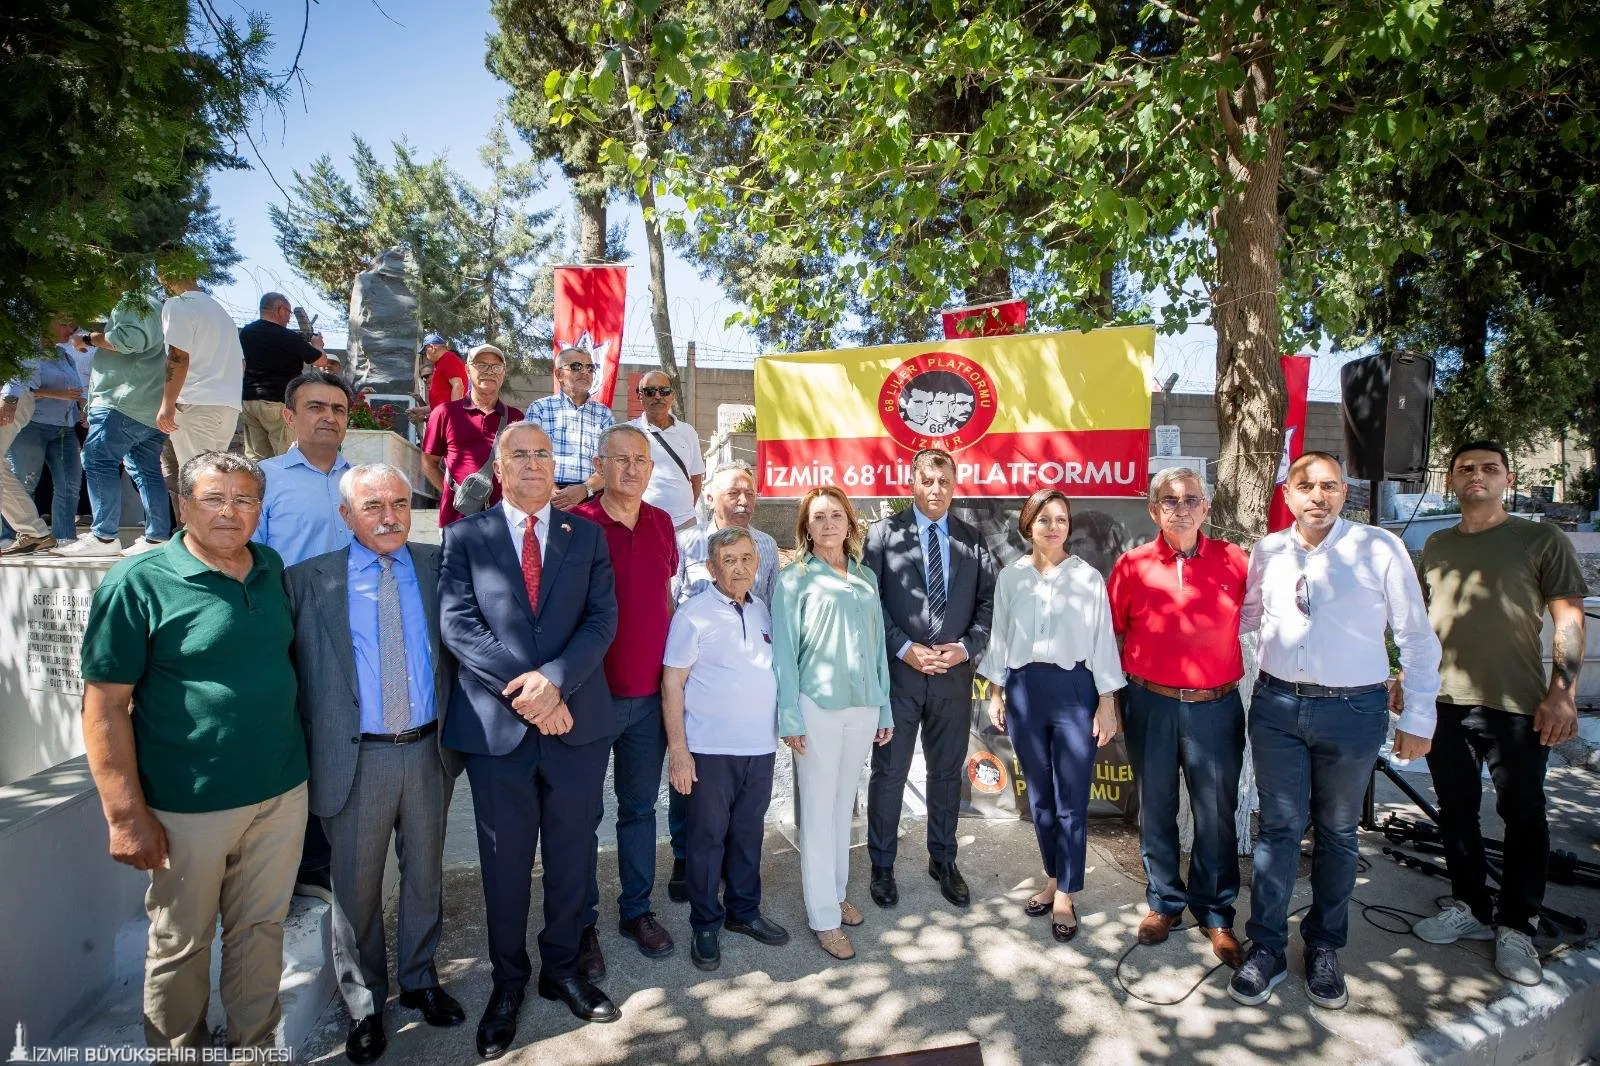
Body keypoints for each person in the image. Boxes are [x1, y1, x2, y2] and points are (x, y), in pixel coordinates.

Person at [78, 452, 308, 1052]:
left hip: (280, 794)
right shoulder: (140, 581)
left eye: (245, 499)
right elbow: (103, 705)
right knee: (182, 944)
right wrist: (125, 814)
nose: (231, 512)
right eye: (214, 498)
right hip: (189, 806)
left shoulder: (270, 566)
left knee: (261, 932)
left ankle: (255, 1050)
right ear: (183, 504)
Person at [1230, 451, 1441, 1011]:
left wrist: (1419, 715)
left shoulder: (1379, 547)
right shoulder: (1268, 550)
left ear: (1345, 493)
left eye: (1329, 486)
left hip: (1353, 711)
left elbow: (1416, 637)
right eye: (1306, 486)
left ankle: (1324, 946)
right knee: (1277, 832)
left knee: (1339, 834)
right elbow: (1246, 618)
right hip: (1276, 706)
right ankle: (1267, 947)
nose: (1317, 496)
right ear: (1289, 495)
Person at [439, 421, 621, 1057]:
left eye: (544, 454)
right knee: (505, 864)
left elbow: (602, 621)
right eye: (520, 454)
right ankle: (508, 983)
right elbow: (459, 625)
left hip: (575, 726)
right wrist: (529, 690)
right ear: (498, 466)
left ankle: (562, 969)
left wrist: (556, 685)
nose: (535, 464)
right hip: (498, 732)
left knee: (573, 857)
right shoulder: (465, 536)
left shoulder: (587, 537)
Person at [285, 463, 465, 1063]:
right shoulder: (307, 582)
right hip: (354, 758)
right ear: (346, 516)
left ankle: (419, 981)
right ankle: (365, 1004)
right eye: (372, 506)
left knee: (423, 877)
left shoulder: (436, 566)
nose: (389, 516)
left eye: (396, 502)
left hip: (427, 751)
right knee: (356, 890)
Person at [1412, 441, 1589, 987]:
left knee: (1524, 815)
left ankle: (1517, 923)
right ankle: (1469, 904)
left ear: (1507, 479)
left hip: (1517, 706)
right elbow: (1421, 626)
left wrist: (1562, 693)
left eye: (1489, 468)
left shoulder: (1540, 539)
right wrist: (1406, 681)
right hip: (1444, 704)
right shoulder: (1436, 544)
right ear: (1451, 478)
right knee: (1456, 810)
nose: (1477, 476)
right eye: (1466, 468)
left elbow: (1569, 619)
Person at [1107, 467, 1249, 968]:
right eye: (1170, 500)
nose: (1182, 507)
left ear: (1206, 507)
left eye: (1191, 499)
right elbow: (1111, 635)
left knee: (1215, 813)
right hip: (1151, 703)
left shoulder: (1236, 560)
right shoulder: (1132, 565)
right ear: (1154, 510)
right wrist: (1108, 699)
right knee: (1157, 808)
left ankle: (1215, 912)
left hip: (1216, 706)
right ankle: (1164, 903)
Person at [980, 489, 1125, 945]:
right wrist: (996, 691)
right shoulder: (1012, 578)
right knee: (1040, 798)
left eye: (1061, 519)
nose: (1053, 526)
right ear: (1029, 525)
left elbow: (1103, 642)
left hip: (1074, 692)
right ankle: (1051, 876)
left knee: (1071, 800)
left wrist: (1106, 702)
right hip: (1024, 692)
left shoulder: (1087, 579)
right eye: (1044, 519)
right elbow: (1000, 638)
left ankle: (1067, 892)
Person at [863, 447, 997, 910]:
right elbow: (871, 603)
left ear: (954, 485)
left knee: (944, 774)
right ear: (913, 482)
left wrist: (963, 649)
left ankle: (943, 858)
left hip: (952, 678)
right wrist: (905, 648)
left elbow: (987, 606)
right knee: (890, 773)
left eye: (944, 482)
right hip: (900, 676)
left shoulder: (972, 540)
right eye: (927, 481)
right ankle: (882, 864)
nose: (936, 490)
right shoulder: (883, 535)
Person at [572, 424, 680, 965]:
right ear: (600, 464)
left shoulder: (663, 525)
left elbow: (664, 599)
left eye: (640, 460)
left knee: (639, 809)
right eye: (620, 459)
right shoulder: (577, 524)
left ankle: (637, 909)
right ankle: (581, 922)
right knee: (582, 816)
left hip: (649, 702)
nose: (631, 469)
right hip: (591, 701)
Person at [772, 485, 893, 961]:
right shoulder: (795, 578)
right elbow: (784, 652)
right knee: (819, 814)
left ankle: (837, 893)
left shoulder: (864, 576)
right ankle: (822, 916)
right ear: (806, 526)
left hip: (862, 705)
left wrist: (883, 707)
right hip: (817, 707)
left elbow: (878, 646)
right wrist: (789, 715)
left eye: (836, 515)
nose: (828, 524)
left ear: (850, 522)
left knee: (844, 809)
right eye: (818, 517)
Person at [664, 526, 791, 971]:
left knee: (747, 836)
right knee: (706, 840)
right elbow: (672, 684)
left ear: (757, 564)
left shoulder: (764, 613)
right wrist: (678, 751)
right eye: (729, 560)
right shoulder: (692, 614)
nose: (738, 567)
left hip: (759, 748)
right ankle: (704, 923)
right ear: (713, 567)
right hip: (708, 751)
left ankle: (744, 912)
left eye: (745, 558)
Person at [665, 460, 781, 902]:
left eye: (749, 492)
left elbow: (766, 604)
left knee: (739, 810)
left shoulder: (767, 546)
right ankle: (684, 858)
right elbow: (671, 603)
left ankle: (734, 879)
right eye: (733, 492)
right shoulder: (686, 543)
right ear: (709, 497)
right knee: (689, 786)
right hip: (695, 681)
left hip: (746, 688)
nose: (743, 500)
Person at [52, 290, 173, 559]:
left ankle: (104, 537)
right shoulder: (158, 306)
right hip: (148, 405)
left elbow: (129, 340)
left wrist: (87, 339)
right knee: (146, 469)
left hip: (123, 402)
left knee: (97, 460)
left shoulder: (132, 300)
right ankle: (158, 537)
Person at [254, 371, 355, 569]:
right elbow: (249, 554)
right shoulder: (262, 478)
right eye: (316, 407)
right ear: (289, 417)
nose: (330, 418)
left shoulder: (361, 481)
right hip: (288, 597)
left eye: (338, 410)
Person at [421, 343, 524, 527]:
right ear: (467, 370)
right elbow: (428, 464)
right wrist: (453, 492)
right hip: (456, 521)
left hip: (504, 522)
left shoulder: (517, 418)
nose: (489, 371)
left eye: (496, 366)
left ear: (503, 373)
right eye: (481, 365)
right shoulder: (445, 413)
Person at [156, 271, 244, 467]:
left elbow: (178, 356)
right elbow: (241, 364)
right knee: (214, 479)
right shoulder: (221, 311)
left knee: (196, 481)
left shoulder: (177, 304)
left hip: (194, 404)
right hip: (228, 407)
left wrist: (167, 403)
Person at [4, 338, 85, 546]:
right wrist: (57, 394)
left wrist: (81, 407)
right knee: (23, 481)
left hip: (64, 427)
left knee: (69, 485)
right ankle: (11, 536)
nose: (70, 330)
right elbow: (22, 387)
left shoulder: (64, 355)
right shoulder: (27, 348)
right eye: (64, 324)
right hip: (34, 425)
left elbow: (76, 389)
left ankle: (63, 538)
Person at [239, 292, 327, 461]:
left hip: (250, 401)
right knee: (287, 457)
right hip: (277, 403)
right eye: (288, 312)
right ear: (279, 309)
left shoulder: (247, 332)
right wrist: (318, 345)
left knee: (257, 460)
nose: (289, 318)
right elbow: (320, 361)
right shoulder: (286, 336)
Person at [522, 346, 613, 509]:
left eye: (590, 368)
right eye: (576, 366)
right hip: (545, 496)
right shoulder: (540, 409)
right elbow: (527, 456)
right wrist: (551, 491)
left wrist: (585, 489)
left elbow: (610, 464)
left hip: (592, 497)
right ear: (559, 374)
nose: (585, 372)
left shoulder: (604, 414)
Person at [630, 370, 704, 529]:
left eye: (663, 391)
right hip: (641, 521)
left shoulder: (688, 432)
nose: (657, 396)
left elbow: (696, 479)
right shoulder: (628, 432)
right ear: (640, 396)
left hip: (684, 522)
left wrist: (686, 510)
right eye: (650, 391)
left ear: (672, 395)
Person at [0, 372, 55, 555]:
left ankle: (35, 532)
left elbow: (21, 360)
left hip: (9, 394)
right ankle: (35, 533)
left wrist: (9, 398)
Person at [419, 333, 468, 418]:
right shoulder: (442, 362)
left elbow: (458, 386)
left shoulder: (448, 358)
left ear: (432, 348)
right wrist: (419, 411)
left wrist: (455, 416)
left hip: (450, 417)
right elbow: (442, 400)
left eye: (425, 351)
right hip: (443, 415)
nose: (426, 356)